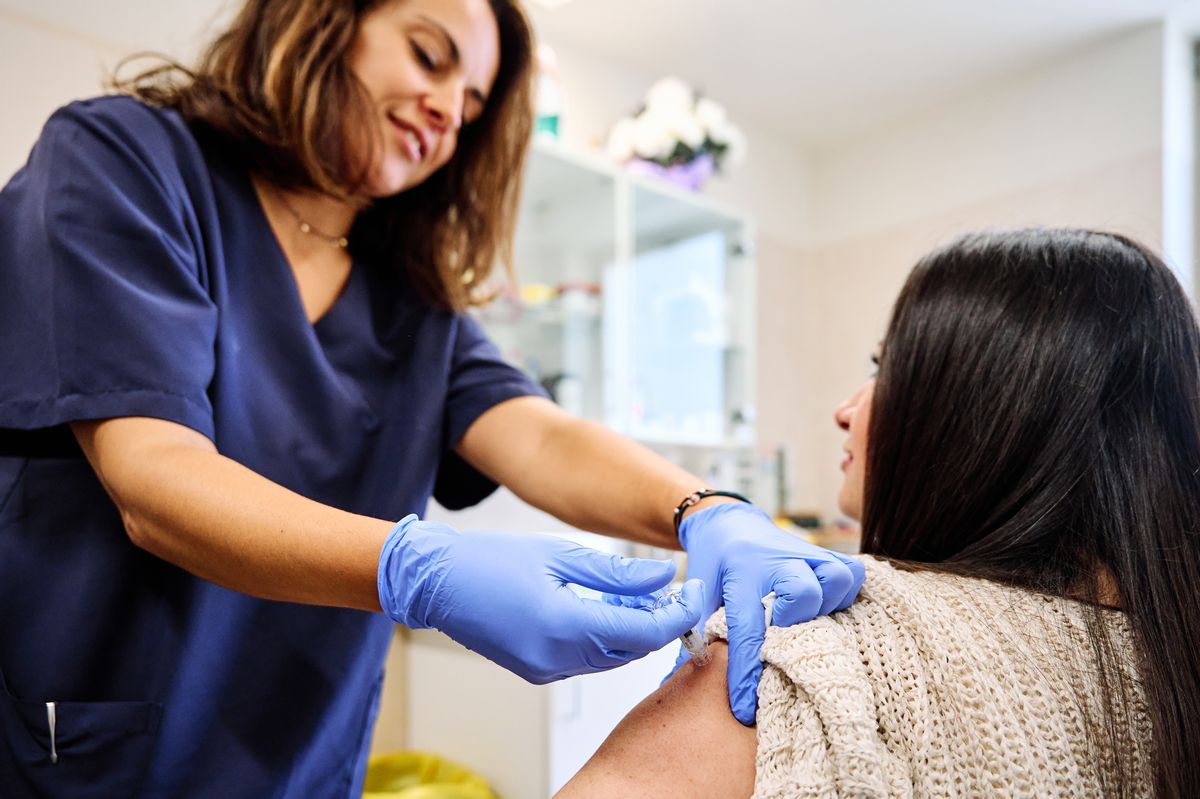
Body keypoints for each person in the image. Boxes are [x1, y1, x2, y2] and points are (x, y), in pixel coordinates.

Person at [0, 1, 865, 796]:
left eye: (473, 101)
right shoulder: (127, 162)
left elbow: (540, 435)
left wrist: (704, 508)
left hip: (298, 760)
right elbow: (155, 478)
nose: (449, 107)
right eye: (429, 55)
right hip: (94, 746)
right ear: (322, 21)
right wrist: (412, 569)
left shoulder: (412, 299)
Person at [557, 228, 1200, 799]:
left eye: (883, 367)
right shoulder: (1171, 660)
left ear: (983, 413)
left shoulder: (808, 654)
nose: (846, 408)